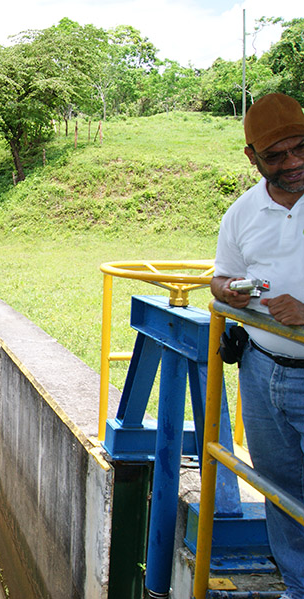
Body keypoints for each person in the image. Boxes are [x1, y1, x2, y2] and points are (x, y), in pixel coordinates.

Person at [211, 92, 304, 598]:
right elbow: (222, 276)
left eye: (301, 148)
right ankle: (297, 586)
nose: (292, 163)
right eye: (276, 156)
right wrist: (226, 291)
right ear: (251, 157)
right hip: (262, 369)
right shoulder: (241, 214)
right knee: (280, 487)